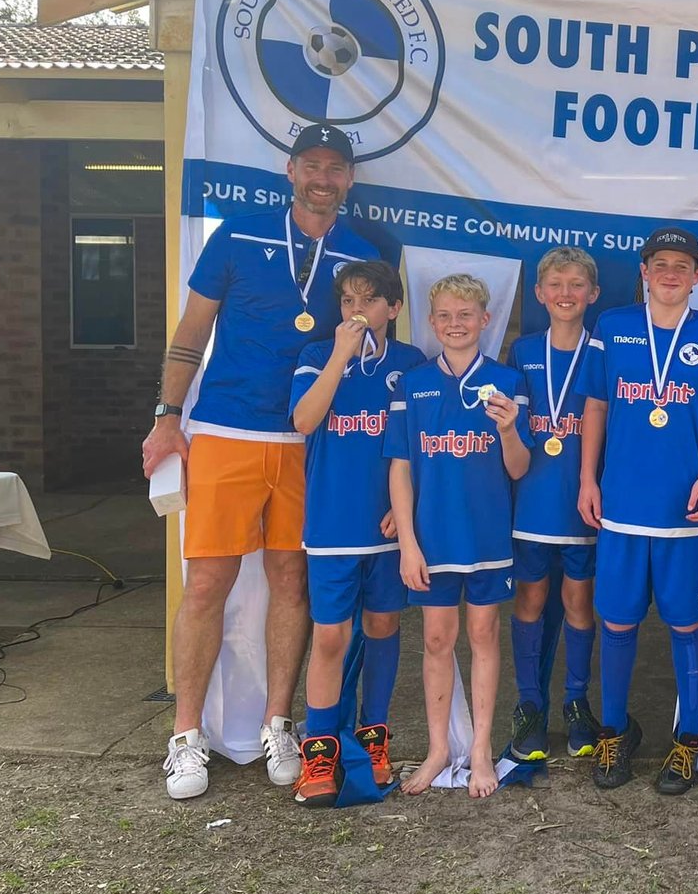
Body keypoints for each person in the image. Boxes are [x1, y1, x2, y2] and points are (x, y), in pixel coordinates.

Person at [141, 123, 378, 800]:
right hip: (225, 428)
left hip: (309, 440)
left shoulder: (361, 254)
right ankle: (186, 735)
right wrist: (166, 416)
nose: (323, 178)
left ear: (349, 179)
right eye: (312, 165)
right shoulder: (237, 234)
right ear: (290, 170)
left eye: (335, 168)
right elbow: (192, 332)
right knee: (208, 583)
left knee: (291, 582)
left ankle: (279, 722)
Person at [579, 226, 698, 794]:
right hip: (621, 503)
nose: (671, 273)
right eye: (661, 264)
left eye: (682, 265)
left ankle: (687, 739)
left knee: (687, 623)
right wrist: (587, 478)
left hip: (682, 509)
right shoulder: (612, 326)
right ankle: (614, 733)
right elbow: (597, 405)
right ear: (644, 272)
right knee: (618, 621)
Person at [385, 274, 532, 799]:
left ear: (485, 320)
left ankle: (481, 750)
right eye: (445, 316)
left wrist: (509, 429)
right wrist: (407, 543)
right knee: (435, 640)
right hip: (433, 541)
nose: (455, 324)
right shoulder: (414, 384)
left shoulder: (508, 382)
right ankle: (438, 750)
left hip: (487, 537)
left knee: (484, 635)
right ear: (431, 322)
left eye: (465, 315)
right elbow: (400, 468)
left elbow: (519, 468)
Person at [287, 261, 425, 806]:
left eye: (368, 300)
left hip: (387, 528)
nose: (356, 310)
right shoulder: (316, 355)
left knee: (384, 626)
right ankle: (319, 751)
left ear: (393, 308)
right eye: (347, 301)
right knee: (330, 637)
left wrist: (408, 510)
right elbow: (304, 420)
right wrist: (340, 357)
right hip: (332, 526)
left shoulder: (411, 364)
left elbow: (423, 446)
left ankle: (373, 737)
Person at [506, 248, 604, 763]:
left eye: (576, 284)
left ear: (593, 293)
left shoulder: (603, 352)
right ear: (540, 294)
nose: (566, 293)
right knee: (529, 600)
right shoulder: (523, 352)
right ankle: (529, 705)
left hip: (582, 505)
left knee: (579, 603)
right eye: (556, 284)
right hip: (532, 504)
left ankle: (576, 702)